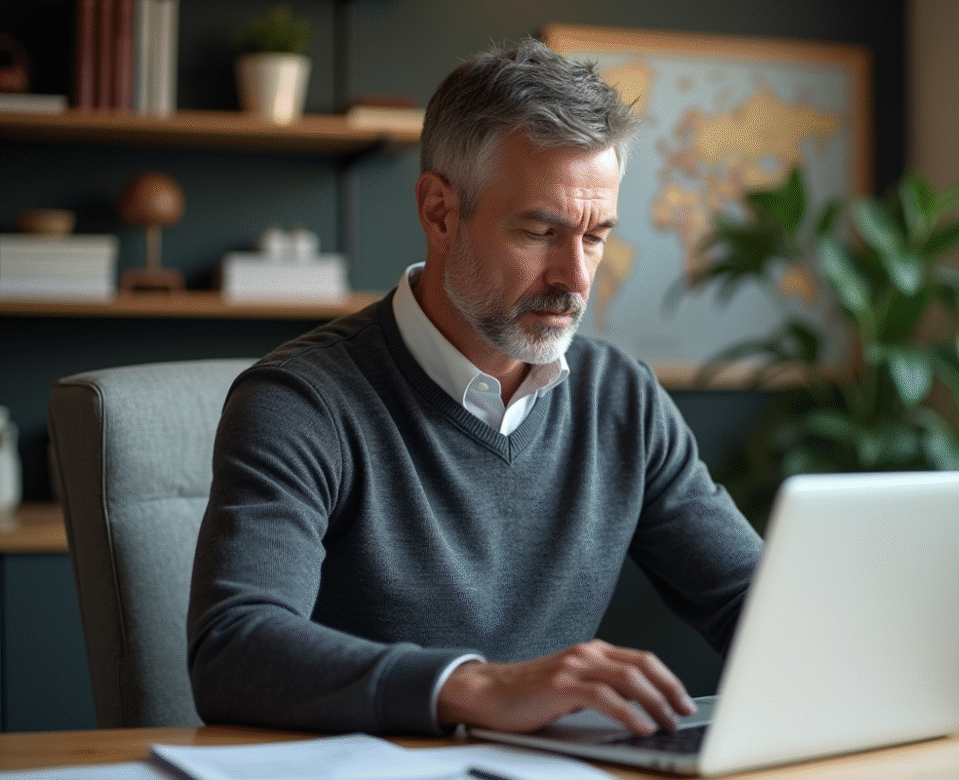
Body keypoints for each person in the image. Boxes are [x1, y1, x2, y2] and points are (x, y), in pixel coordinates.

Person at [187, 38, 763, 738]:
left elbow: (752, 602)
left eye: (595, 236)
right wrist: (476, 686)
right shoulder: (299, 402)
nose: (576, 279)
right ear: (439, 211)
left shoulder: (624, 402)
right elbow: (234, 647)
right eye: (541, 231)